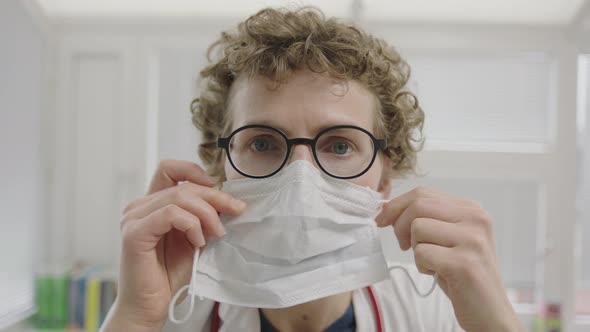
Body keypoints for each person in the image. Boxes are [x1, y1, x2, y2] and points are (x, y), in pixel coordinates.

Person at [101, 7, 524, 332]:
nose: (300, 178)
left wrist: (498, 324)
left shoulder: (437, 312)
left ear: (384, 178)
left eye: (339, 145)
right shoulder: (173, 317)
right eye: (263, 143)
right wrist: (134, 317)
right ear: (219, 168)